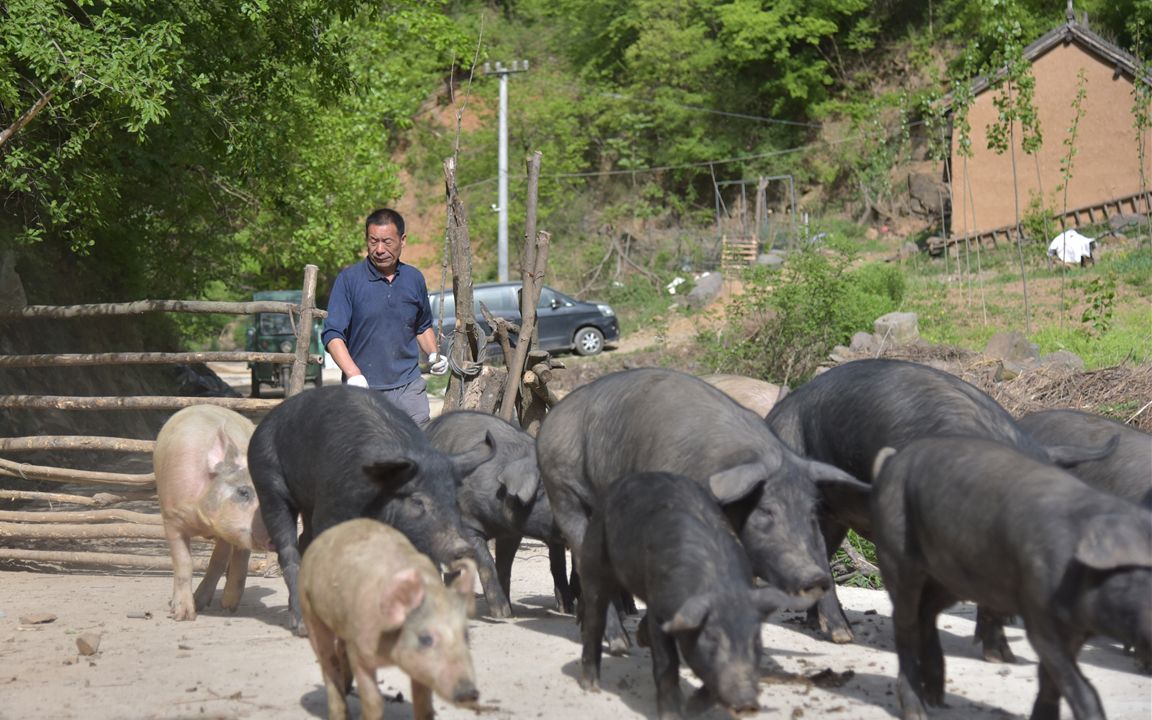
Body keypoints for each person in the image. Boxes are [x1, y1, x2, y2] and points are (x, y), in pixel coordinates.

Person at [322, 208, 449, 426]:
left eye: (387, 242)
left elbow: (421, 325)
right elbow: (333, 335)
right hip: (363, 390)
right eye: (373, 241)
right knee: (368, 454)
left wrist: (433, 354)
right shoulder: (349, 281)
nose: (379, 249)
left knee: (417, 450)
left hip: (409, 388)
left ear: (403, 240)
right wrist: (353, 374)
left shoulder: (414, 278)